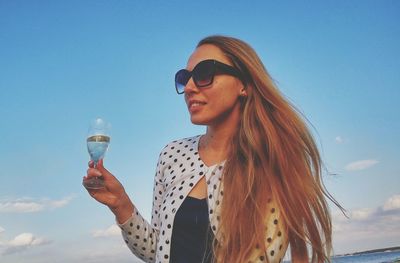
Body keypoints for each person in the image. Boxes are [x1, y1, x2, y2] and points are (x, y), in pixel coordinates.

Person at [84, 35, 341, 263]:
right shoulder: (171, 155)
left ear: (244, 85)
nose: (191, 87)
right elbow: (158, 252)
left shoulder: (270, 164)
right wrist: (121, 204)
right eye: (185, 79)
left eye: (205, 73)